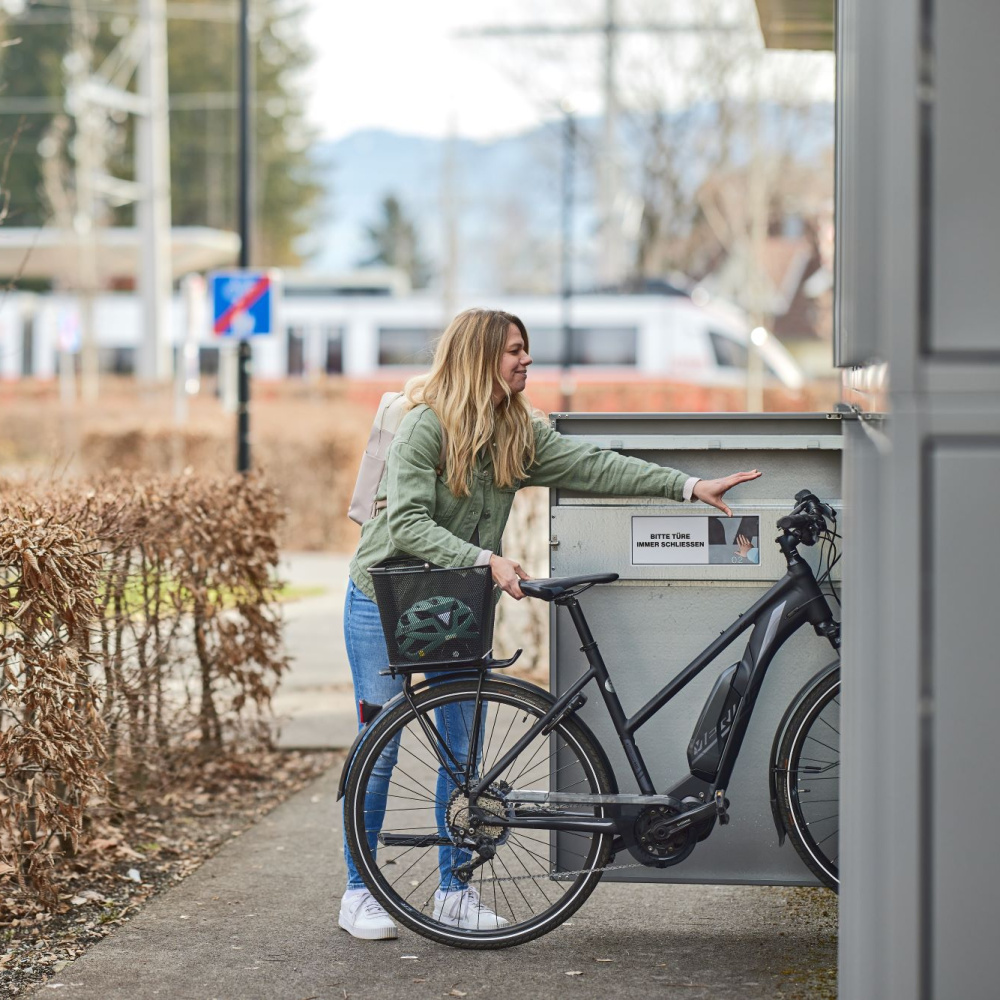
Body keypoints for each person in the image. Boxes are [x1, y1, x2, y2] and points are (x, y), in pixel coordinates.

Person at [339, 308, 762, 940]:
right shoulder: (426, 425)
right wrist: (485, 559)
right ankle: (359, 892)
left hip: (454, 602)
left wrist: (687, 486)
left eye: (525, 349)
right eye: (514, 350)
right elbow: (405, 522)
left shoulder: (515, 432)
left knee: (464, 756)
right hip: (385, 598)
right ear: (480, 357)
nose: (526, 360)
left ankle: (454, 890)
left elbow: (594, 466)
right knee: (381, 748)